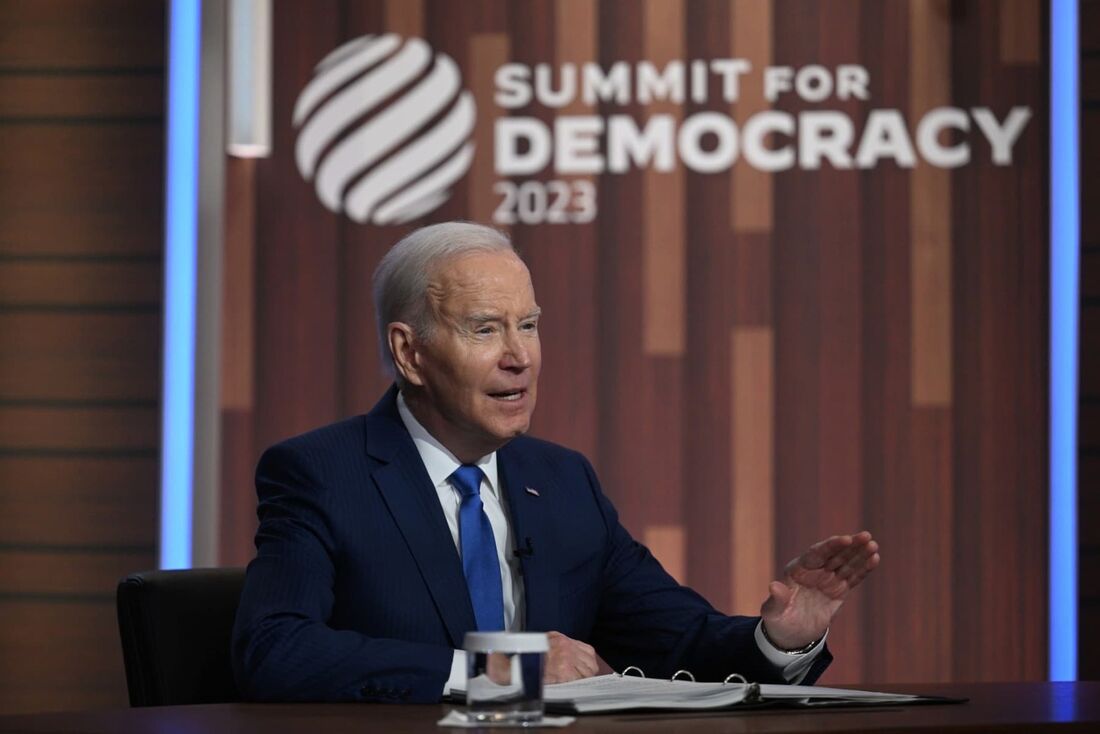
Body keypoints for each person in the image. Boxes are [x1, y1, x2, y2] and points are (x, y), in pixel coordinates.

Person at [231, 221, 880, 703]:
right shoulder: (322, 473)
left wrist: (781, 639)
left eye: (530, 325)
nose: (520, 356)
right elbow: (276, 650)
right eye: (486, 329)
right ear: (411, 353)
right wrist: (505, 671)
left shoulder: (562, 481)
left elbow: (680, 643)